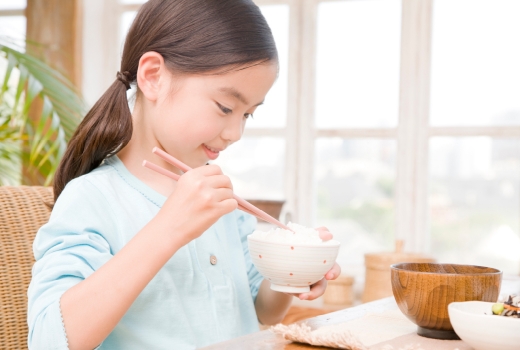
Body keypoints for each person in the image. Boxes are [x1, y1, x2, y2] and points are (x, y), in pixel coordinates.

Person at [27, 0, 341, 349]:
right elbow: (48, 340)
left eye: (248, 114)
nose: (236, 132)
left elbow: (261, 311)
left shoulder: (217, 196)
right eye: (225, 107)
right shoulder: (92, 198)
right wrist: (169, 228)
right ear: (153, 77)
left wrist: (291, 272)